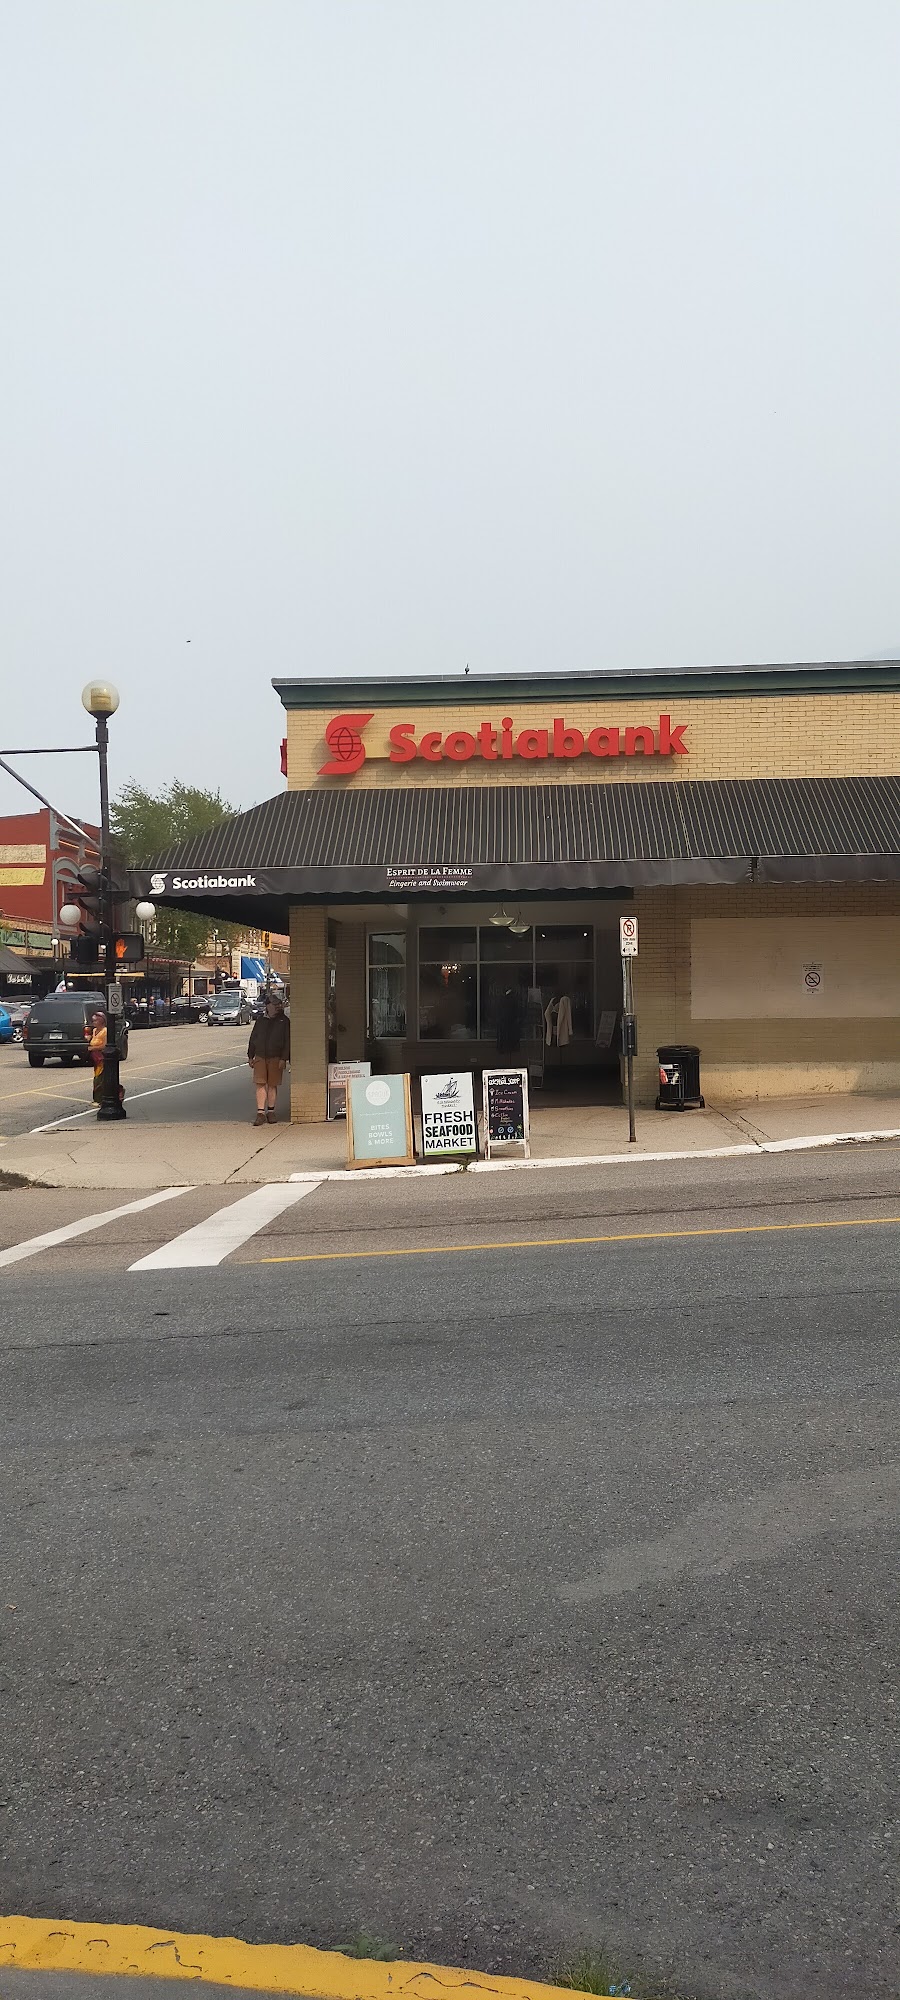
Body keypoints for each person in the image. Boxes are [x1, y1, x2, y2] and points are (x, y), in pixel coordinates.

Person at [247, 992, 290, 1125]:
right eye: (274, 1004)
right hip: (260, 1055)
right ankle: (260, 1113)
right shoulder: (260, 1020)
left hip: (276, 1057)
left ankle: (271, 1111)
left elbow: (287, 1041)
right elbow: (253, 1038)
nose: (277, 1007)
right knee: (260, 1084)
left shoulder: (284, 1021)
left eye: (278, 1004)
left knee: (272, 1084)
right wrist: (250, 1055)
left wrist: (284, 1058)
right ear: (267, 1006)